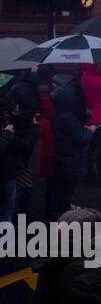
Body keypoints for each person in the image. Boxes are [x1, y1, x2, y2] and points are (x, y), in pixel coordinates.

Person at [48, 82, 98, 218]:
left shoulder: (59, 114)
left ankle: (60, 211)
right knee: (66, 191)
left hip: (63, 157)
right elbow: (81, 137)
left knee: (62, 190)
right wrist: (91, 131)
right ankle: (62, 215)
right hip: (71, 159)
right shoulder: (68, 118)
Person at [0, 95, 36, 225]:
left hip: (11, 167)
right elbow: (25, 144)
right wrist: (8, 134)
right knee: (7, 205)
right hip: (7, 170)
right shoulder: (8, 128)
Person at [79, 65, 101, 187]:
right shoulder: (98, 80)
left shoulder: (81, 80)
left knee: (90, 148)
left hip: (88, 118)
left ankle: (90, 175)